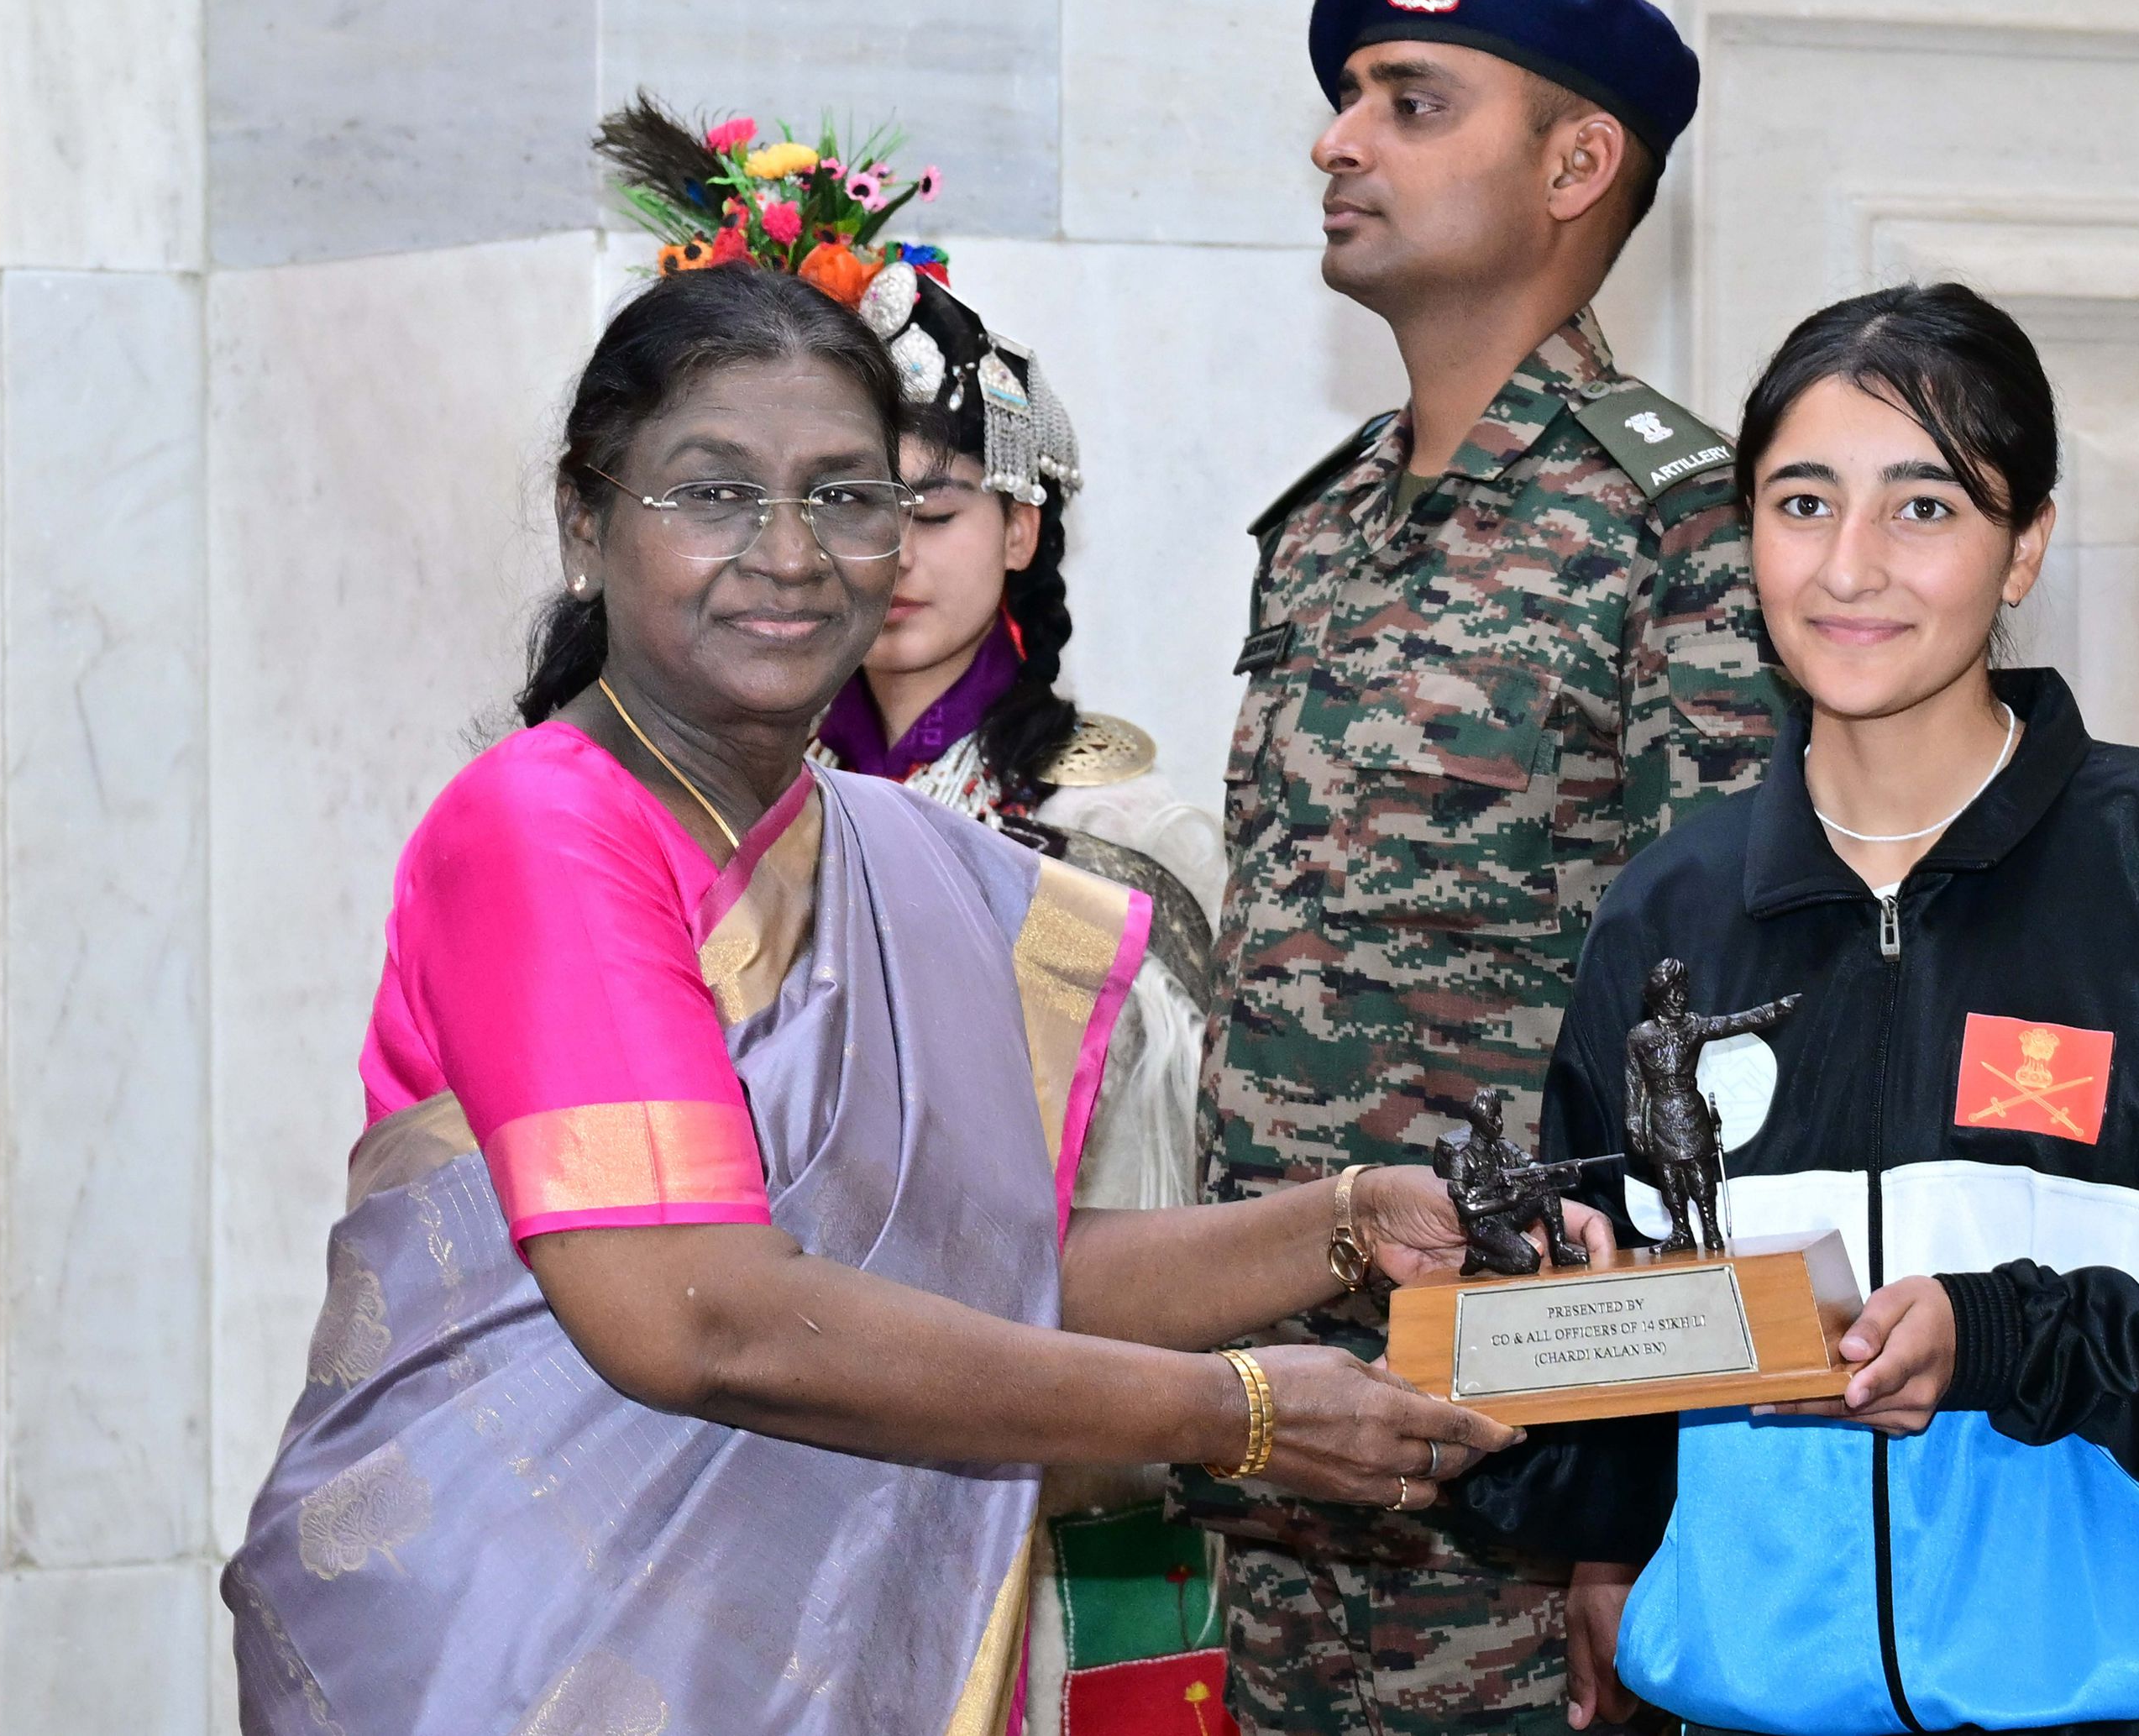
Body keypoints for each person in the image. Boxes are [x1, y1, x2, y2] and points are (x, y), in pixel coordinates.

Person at [223, 263, 1613, 1736]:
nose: (787, 554)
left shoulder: (881, 852)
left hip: (777, 1641)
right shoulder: (546, 828)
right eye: (712, 493)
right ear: (586, 520)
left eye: (845, 496)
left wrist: (1338, 1223)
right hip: (524, 1643)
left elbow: (971, 1266)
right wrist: (1238, 1413)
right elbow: (694, 1319)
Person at [1513, 282, 2139, 1735]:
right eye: (1801, 502)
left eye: (1925, 507)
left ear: (2025, 549)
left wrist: (2000, 1340)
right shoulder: (1668, 915)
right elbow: (1604, 1441)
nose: (1850, 565)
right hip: (1769, 1711)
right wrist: (1527, 1325)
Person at [1184, 0, 1781, 1733]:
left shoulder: (1685, 526)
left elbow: (1708, 1049)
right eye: (1345, 97)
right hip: (1280, 1432)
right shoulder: (1321, 526)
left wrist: (1627, 1510)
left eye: (1411, 101)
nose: (1337, 141)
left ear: (1577, 165)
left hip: (1517, 1469)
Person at [820, 252, 1238, 1720]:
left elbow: (1176, 1169)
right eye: (853, 510)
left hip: (1071, 1443)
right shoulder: (745, 817)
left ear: (1020, 524)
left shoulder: (1126, 833)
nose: (894, 555)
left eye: (934, 512)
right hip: (800, 1430)